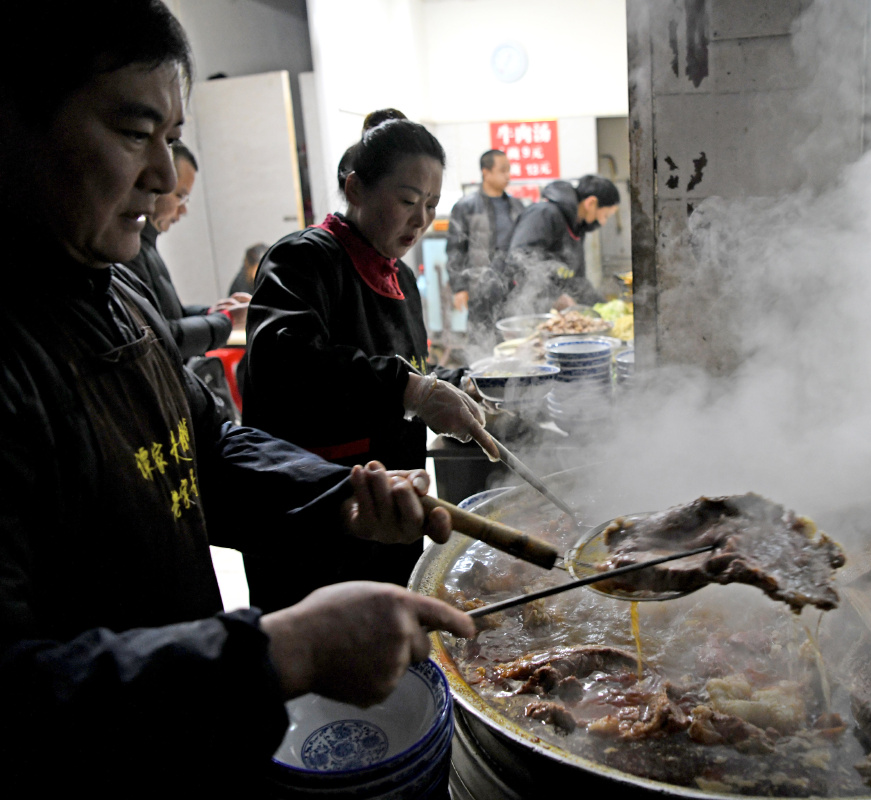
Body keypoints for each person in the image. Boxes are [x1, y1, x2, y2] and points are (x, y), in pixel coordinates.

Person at [0, 3, 478, 795]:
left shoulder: (115, 292)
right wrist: (280, 649)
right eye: (132, 131)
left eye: (172, 137)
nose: (163, 173)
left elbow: (210, 444)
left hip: (183, 731)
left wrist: (341, 498)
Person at [241, 112, 500, 613]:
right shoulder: (304, 259)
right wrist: (412, 389)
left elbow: (403, 365)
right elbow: (282, 357)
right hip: (319, 515)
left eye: (430, 204)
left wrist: (449, 383)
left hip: (393, 509)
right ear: (355, 188)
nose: (421, 220)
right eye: (407, 201)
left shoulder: (399, 276)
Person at [124, 140, 251, 358]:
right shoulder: (130, 252)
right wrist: (227, 321)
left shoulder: (146, 245)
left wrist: (214, 313)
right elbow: (161, 337)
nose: (183, 210)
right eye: (180, 196)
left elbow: (173, 314)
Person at [502, 174, 620, 312]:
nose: (603, 222)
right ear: (591, 203)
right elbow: (520, 260)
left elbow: (576, 279)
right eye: (605, 215)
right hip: (521, 307)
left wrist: (600, 307)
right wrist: (554, 297)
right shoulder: (544, 214)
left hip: (549, 311)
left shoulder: (577, 227)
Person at [445, 149, 524, 351]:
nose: (508, 176)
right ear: (485, 172)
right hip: (479, 288)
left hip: (511, 288)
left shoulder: (516, 206)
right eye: (502, 170)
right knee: (480, 343)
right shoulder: (466, 206)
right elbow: (455, 248)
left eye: (509, 170)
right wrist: (459, 287)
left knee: (513, 342)